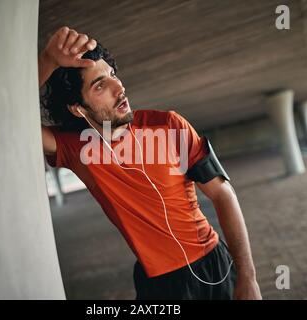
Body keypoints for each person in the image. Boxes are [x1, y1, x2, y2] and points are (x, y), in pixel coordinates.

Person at [38, 26, 262, 300]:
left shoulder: (169, 124)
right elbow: (14, 118)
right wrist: (47, 60)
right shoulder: (76, 148)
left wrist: (248, 277)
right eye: (100, 85)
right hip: (158, 286)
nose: (118, 87)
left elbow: (222, 193)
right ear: (78, 108)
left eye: (112, 75)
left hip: (214, 266)